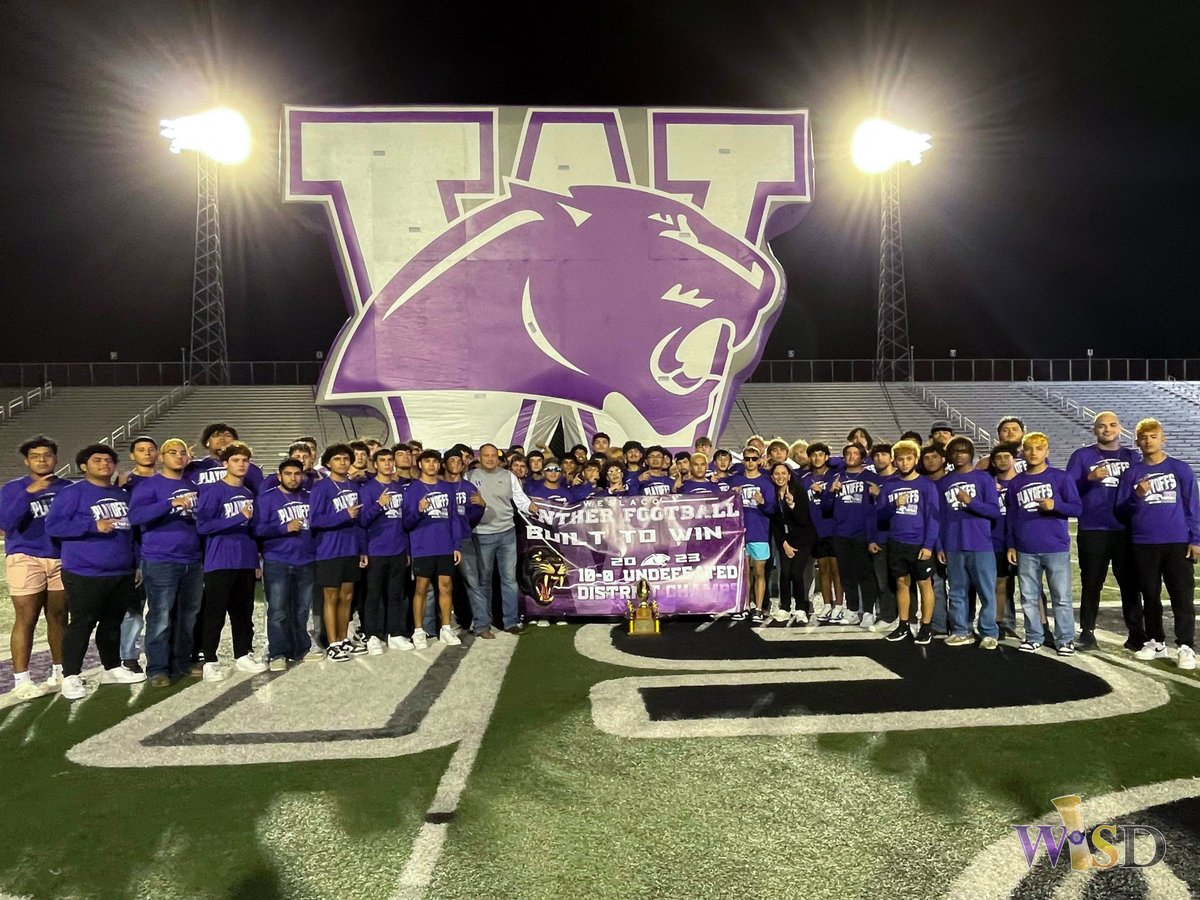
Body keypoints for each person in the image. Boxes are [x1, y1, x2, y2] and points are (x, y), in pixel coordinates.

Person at [45, 444, 146, 699]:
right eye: (97, 460)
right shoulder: (72, 493)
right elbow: (54, 526)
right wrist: (91, 525)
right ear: (83, 466)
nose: (104, 464)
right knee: (82, 623)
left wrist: (135, 564)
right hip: (85, 571)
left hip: (121, 570)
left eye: (109, 460)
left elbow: (131, 533)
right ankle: (70, 676)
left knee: (112, 623)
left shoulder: (122, 495)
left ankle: (111, 668)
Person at [1116, 418, 1199, 670]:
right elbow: (1121, 510)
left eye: (1153, 436)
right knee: (1150, 595)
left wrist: (1196, 539)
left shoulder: (1180, 468)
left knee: (1181, 595)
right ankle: (1155, 640)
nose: (1148, 441)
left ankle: (1186, 645)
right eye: (1143, 437)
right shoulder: (1132, 473)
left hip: (1176, 541)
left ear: (1162, 439)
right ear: (1137, 442)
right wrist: (1136, 495)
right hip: (1143, 542)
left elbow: (1192, 506)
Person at [126, 437, 204, 685]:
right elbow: (136, 516)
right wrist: (170, 503)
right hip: (161, 560)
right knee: (160, 616)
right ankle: (158, 669)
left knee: (188, 615)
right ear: (161, 457)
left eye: (183, 453)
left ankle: (181, 662)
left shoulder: (193, 484)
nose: (179, 456)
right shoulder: (150, 485)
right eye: (173, 452)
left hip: (192, 559)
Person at [1065, 411, 1143, 651]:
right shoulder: (1082, 456)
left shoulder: (1132, 456)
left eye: (1112, 425)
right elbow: (1066, 491)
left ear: (1120, 428)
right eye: (1101, 426)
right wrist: (1088, 478)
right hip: (1093, 528)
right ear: (1094, 430)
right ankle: (1087, 632)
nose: (1107, 430)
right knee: (1091, 582)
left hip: (1124, 528)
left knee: (1130, 583)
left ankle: (1136, 634)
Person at [0, 436, 70, 699]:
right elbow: (6, 523)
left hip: (61, 557)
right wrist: (28, 494)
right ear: (26, 461)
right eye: (36, 456)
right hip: (25, 555)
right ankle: (21, 680)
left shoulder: (68, 487)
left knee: (60, 616)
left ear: (56, 458)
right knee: (26, 618)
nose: (42, 460)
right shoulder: (13, 488)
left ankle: (61, 672)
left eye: (47, 455)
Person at [193, 443, 268, 680]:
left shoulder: (248, 493)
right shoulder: (214, 491)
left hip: (245, 561)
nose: (241, 464)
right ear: (225, 463)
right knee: (214, 613)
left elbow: (251, 530)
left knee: (243, 613)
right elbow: (203, 526)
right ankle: (210, 661)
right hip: (219, 561)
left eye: (245, 460)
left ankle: (243, 654)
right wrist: (237, 518)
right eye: (236, 460)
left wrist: (256, 559)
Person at [1005, 432, 1083, 655]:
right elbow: (1011, 516)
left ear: (1046, 452)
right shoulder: (1016, 482)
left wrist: (1055, 505)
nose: (1033, 453)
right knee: (1029, 597)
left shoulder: (1061, 477)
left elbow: (1077, 508)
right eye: (1029, 449)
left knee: (1061, 597)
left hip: (1055, 547)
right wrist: (1011, 544)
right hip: (1025, 548)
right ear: (1023, 453)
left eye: (1039, 448)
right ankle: (1033, 636)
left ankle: (1065, 639)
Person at [938, 437, 1001, 649]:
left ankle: (989, 632)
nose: (959, 455)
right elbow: (940, 518)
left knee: (986, 591)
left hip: (981, 544)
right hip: (954, 545)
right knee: (956, 591)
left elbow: (994, 511)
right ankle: (960, 630)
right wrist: (940, 546)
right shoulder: (944, 482)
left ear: (971, 454)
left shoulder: (983, 479)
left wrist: (971, 502)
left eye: (964, 451)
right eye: (955, 451)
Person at [253, 459, 316, 669]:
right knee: (278, 610)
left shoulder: (309, 497)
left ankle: (301, 648)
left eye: (297, 474)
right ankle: (277, 652)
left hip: (306, 560)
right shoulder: (266, 499)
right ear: (279, 476)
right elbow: (257, 530)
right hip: (277, 560)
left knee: (301, 609)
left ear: (303, 476)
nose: (293, 478)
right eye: (288, 474)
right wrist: (283, 528)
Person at [877, 441, 941, 646]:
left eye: (909, 458)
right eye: (901, 459)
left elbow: (933, 517)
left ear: (915, 459)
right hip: (897, 542)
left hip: (919, 543)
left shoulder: (927, 485)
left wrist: (928, 545)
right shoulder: (889, 485)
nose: (904, 463)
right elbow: (881, 515)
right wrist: (893, 504)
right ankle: (903, 624)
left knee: (925, 584)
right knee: (901, 583)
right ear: (895, 461)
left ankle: (926, 626)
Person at [309, 444, 368, 661]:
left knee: (347, 597)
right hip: (329, 550)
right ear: (328, 463)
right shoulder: (321, 487)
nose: (342, 462)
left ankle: (343, 638)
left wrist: (362, 549)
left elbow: (359, 521)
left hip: (351, 548)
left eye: (345, 458)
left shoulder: (354, 487)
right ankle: (332, 643)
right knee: (331, 597)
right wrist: (343, 515)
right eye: (337, 459)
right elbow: (314, 520)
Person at [466, 443, 533, 637]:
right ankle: (483, 624)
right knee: (484, 581)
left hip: (507, 533)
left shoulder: (508, 476)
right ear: (480, 457)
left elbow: (520, 500)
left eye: (493, 455)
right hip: (481, 533)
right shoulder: (470, 477)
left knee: (509, 579)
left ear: (498, 457)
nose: (490, 459)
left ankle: (510, 621)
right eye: (486, 455)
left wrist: (533, 508)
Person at [404, 450, 464, 648]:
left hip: (445, 545)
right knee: (421, 588)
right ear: (420, 464)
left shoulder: (447, 488)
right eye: (427, 461)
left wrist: (456, 545)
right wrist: (419, 510)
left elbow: (454, 518)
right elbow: (406, 522)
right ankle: (419, 631)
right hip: (422, 546)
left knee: (446, 586)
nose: (432, 465)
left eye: (435, 461)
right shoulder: (412, 489)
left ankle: (446, 627)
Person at [356, 447, 413, 652]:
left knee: (396, 594)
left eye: (390, 460)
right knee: (373, 596)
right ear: (375, 464)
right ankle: (372, 635)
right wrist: (378, 505)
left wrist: (406, 550)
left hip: (397, 549)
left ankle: (395, 633)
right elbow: (361, 521)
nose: (388, 464)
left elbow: (403, 522)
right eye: (383, 460)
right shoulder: (367, 489)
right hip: (375, 550)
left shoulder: (399, 488)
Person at [821, 442, 877, 627]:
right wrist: (830, 492)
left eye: (855, 453)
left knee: (865, 574)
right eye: (848, 454)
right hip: (840, 533)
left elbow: (879, 508)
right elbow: (826, 508)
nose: (852, 456)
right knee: (846, 575)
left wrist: (878, 494)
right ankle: (852, 610)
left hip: (863, 534)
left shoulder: (871, 477)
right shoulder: (837, 477)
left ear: (862, 457)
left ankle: (868, 611)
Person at [117, 435, 159, 673]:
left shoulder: (168, 480)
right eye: (141, 450)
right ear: (132, 455)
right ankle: (128, 655)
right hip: (135, 549)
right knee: (134, 608)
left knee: (163, 607)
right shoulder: (125, 483)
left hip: (164, 550)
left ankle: (161, 653)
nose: (147, 453)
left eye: (151, 449)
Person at [730, 446, 776, 623]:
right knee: (743, 573)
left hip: (759, 532)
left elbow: (772, 509)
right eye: (747, 459)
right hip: (739, 533)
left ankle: (758, 607)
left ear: (759, 460)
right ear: (743, 460)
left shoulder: (765, 482)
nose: (750, 462)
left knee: (759, 571)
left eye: (753, 459)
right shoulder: (736, 480)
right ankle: (745, 605)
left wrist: (762, 501)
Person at [769, 461, 816, 624]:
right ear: (772, 477)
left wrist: (792, 504)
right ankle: (784, 607)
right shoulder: (772, 495)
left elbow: (803, 519)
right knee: (785, 574)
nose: (780, 477)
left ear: (789, 476)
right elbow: (774, 523)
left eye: (783, 473)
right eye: (776, 474)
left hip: (803, 539)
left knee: (796, 574)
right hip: (784, 541)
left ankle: (801, 608)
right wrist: (784, 544)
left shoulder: (799, 492)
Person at [803, 443, 843, 622]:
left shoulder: (835, 475)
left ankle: (840, 605)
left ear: (827, 457)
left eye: (821, 454)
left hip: (834, 528)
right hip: (816, 530)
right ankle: (827, 604)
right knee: (823, 569)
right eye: (813, 455)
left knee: (837, 570)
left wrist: (826, 492)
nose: (817, 458)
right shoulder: (805, 478)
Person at [988, 443, 1022, 639]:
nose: (1002, 461)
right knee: (999, 583)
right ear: (992, 461)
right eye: (998, 457)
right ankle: (998, 623)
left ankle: (1040, 627)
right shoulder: (987, 483)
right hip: (996, 540)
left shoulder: (1021, 482)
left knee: (1030, 586)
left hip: (1021, 540)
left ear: (1014, 459)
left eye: (1006, 457)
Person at [187, 423, 263, 493]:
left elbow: (261, 495)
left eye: (227, 435)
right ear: (207, 442)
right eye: (215, 435)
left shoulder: (249, 468)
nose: (222, 439)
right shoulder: (194, 467)